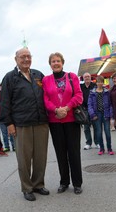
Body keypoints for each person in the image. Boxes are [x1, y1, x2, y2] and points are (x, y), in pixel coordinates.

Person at [0, 48, 49, 201]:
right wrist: (9, 123)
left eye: (28, 56)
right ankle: (27, 188)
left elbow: (48, 94)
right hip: (21, 124)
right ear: (16, 59)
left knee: (40, 157)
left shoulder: (38, 75)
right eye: (22, 57)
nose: (26, 59)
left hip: (41, 122)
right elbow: (4, 102)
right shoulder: (10, 77)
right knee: (24, 158)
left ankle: (38, 184)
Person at [42, 52, 83, 195]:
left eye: (58, 61)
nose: (55, 63)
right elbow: (45, 99)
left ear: (62, 62)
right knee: (60, 153)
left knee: (74, 152)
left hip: (71, 120)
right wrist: (55, 110)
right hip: (55, 121)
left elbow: (79, 95)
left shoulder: (72, 77)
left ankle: (77, 183)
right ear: (50, 64)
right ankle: (64, 182)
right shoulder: (46, 80)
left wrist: (67, 108)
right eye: (53, 61)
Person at [88, 75, 114, 155]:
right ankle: (102, 149)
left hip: (105, 114)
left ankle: (109, 148)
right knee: (99, 132)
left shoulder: (107, 92)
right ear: (96, 82)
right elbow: (90, 105)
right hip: (96, 114)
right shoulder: (92, 92)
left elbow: (110, 104)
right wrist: (92, 114)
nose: (100, 83)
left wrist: (110, 115)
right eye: (98, 82)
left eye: (101, 82)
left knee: (107, 132)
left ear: (103, 82)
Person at [80, 72, 99, 150]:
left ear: (91, 78)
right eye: (85, 77)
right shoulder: (80, 87)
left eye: (88, 76)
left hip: (94, 110)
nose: (87, 78)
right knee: (86, 128)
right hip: (85, 110)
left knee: (96, 127)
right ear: (83, 78)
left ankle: (97, 142)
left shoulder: (95, 86)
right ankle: (88, 143)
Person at [0, 84, 15, 152]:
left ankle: (14, 146)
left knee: (12, 132)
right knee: (4, 133)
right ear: (0, 87)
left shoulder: (10, 94)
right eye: (2, 86)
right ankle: (6, 146)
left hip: (10, 117)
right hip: (1, 118)